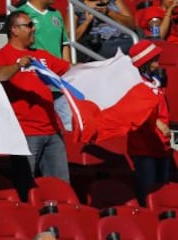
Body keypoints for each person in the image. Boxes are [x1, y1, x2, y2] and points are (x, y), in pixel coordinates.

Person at [0, 11, 71, 200]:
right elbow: (0, 75)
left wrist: (102, 67)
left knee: (61, 187)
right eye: (29, 25)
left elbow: (70, 69)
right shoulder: (1, 55)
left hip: (53, 131)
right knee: (26, 187)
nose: (34, 29)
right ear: (14, 30)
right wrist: (19, 64)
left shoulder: (41, 55)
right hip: (26, 132)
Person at [17, 0, 73, 131]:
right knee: (40, 127)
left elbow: (64, 43)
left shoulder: (56, 14)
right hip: (37, 82)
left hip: (58, 81)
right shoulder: (21, 14)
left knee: (69, 125)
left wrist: (67, 68)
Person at [127, 40, 171, 206]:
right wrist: (157, 123)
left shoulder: (154, 82)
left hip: (161, 144)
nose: (157, 64)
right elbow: (135, 112)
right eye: (153, 60)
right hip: (144, 146)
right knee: (148, 194)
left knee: (162, 195)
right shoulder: (136, 84)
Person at [66, 0, 135, 62]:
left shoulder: (115, 1)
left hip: (124, 40)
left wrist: (109, 12)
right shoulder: (76, 4)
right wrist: (87, 22)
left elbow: (131, 24)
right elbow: (69, 38)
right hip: (99, 44)